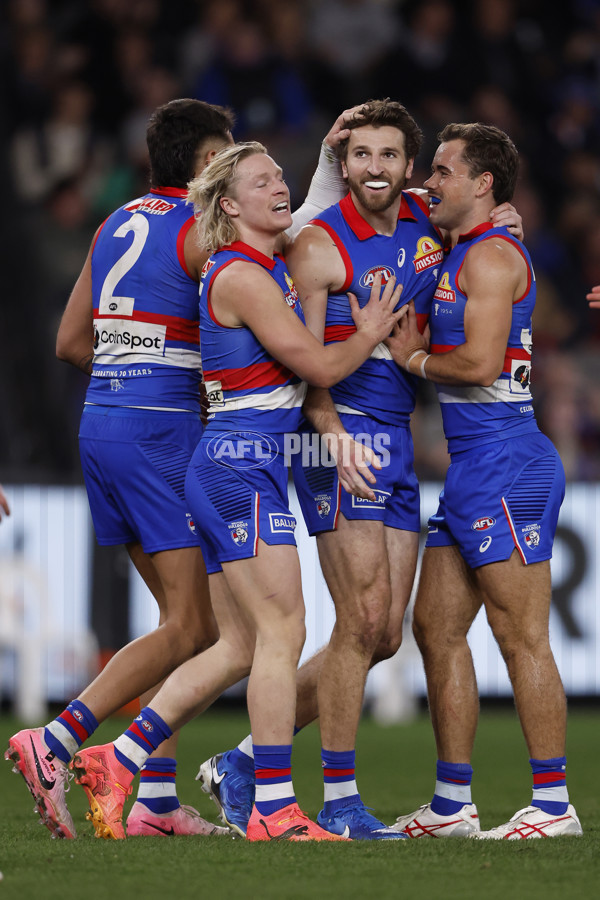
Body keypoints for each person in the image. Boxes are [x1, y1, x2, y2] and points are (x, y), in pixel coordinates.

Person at [4, 97, 354, 841]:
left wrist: (138, 365)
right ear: (209, 173)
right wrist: (202, 379)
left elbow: (71, 341)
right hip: (163, 437)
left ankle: (155, 800)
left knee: (183, 624)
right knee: (202, 625)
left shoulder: (115, 223)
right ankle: (60, 742)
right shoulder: (203, 230)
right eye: (232, 163)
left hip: (101, 426)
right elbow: (289, 239)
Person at [197, 99, 523, 840]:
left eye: (388, 156)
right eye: (361, 156)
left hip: (398, 436)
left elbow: (489, 220)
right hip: (335, 436)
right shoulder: (316, 247)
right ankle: (339, 801)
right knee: (363, 617)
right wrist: (332, 431)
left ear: (408, 168)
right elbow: (302, 363)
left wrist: (509, 226)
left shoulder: (426, 223)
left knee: (382, 636)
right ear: (343, 165)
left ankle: (245, 762)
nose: (374, 168)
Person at [67, 140, 406, 842]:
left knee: (237, 645)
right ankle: (276, 809)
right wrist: (369, 330)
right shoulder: (243, 275)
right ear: (229, 204)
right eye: (262, 181)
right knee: (284, 633)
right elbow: (316, 361)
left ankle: (120, 754)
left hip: (238, 465)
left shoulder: (260, 266)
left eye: (280, 175)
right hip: (236, 468)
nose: (279, 186)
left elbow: (316, 234)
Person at [383, 123, 582, 839]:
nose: (429, 181)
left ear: (483, 183)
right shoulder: (464, 245)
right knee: (435, 628)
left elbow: (482, 365)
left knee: (521, 635)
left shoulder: (492, 258)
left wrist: (413, 361)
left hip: (508, 462)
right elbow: (389, 196)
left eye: (443, 169)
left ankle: (555, 807)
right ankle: (452, 805)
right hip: (474, 467)